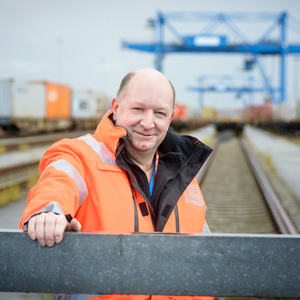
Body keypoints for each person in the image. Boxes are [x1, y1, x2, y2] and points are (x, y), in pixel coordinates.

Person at [19, 69, 213, 300]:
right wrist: (49, 214)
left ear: (170, 118)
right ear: (116, 107)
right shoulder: (79, 155)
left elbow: (206, 258)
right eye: (138, 109)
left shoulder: (182, 171)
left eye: (159, 113)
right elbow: (57, 184)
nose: (148, 122)